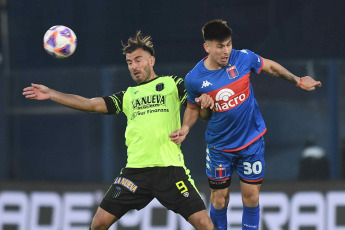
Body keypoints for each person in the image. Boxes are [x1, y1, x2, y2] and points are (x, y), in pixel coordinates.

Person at [23, 31, 214, 230]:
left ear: (152, 60)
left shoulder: (172, 84)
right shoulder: (128, 96)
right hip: (134, 174)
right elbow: (90, 104)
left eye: (138, 60)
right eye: (130, 62)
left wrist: (205, 106)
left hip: (170, 171)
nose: (134, 67)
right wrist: (52, 93)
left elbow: (198, 110)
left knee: (204, 224)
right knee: (98, 224)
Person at [169, 19, 322, 230]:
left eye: (229, 44)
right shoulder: (194, 79)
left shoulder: (242, 58)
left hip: (251, 141)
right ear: (207, 47)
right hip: (219, 147)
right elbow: (195, 110)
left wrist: (297, 81)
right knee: (219, 200)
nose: (226, 51)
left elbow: (269, 66)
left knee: (251, 197)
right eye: (220, 46)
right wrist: (186, 128)